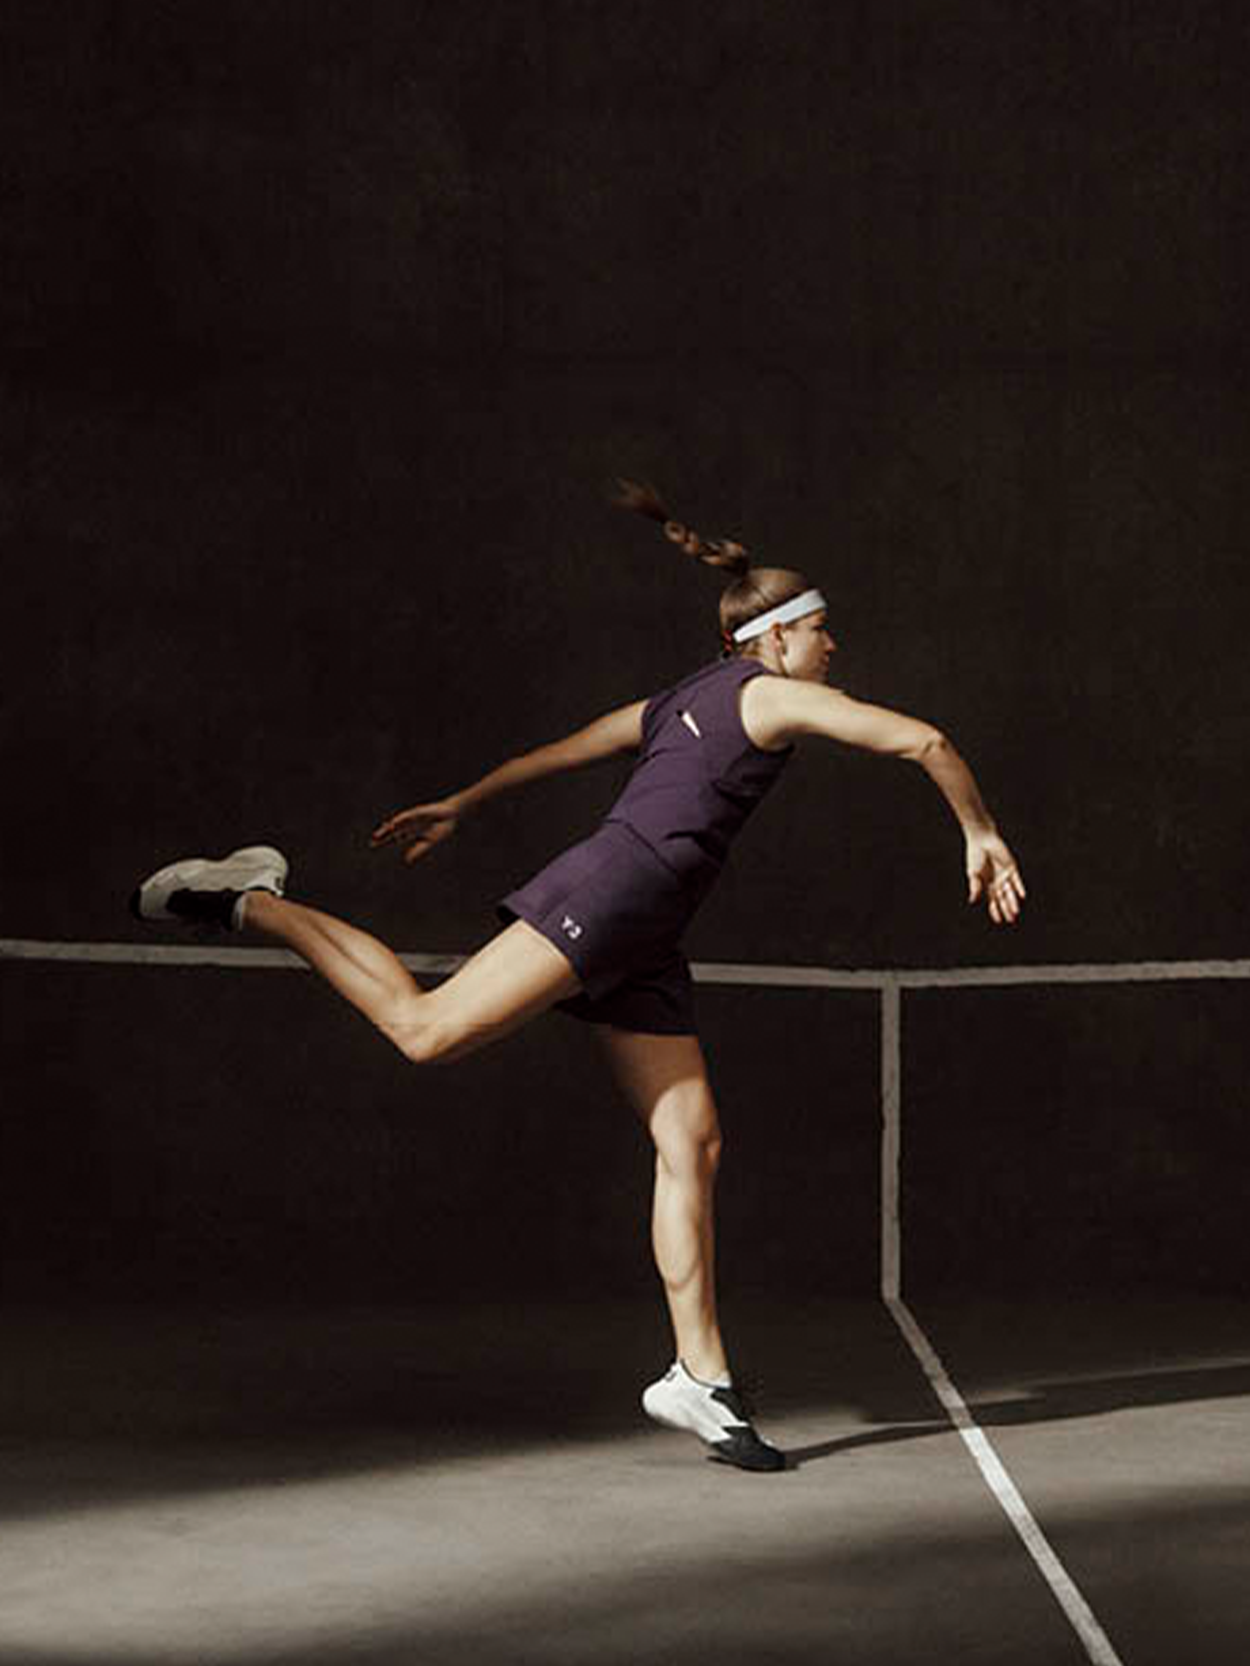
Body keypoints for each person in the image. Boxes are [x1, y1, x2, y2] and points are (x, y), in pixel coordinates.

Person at [131, 480, 1025, 1473]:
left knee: (691, 1139)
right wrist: (979, 832)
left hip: (644, 928)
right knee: (424, 1030)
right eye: (820, 630)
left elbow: (571, 748)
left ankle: (700, 1379)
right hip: (611, 895)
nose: (832, 645)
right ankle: (251, 898)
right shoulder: (771, 692)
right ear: (773, 638)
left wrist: (466, 800)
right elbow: (924, 740)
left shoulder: (679, 699)